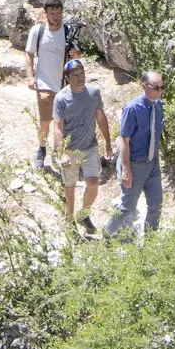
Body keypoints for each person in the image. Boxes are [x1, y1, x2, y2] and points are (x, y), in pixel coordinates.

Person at [51, 59, 115, 235]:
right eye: (75, 75)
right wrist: (62, 152)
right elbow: (57, 127)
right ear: (67, 78)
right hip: (70, 149)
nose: (80, 78)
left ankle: (84, 215)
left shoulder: (94, 93)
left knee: (93, 184)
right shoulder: (61, 98)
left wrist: (108, 143)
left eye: (82, 74)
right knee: (70, 186)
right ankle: (69, 220)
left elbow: (101, 118)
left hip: (90, 147)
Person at [104, 71, 166, 239]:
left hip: (152, 163)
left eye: (161, 88)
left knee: (156, 204)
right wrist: (126, 169)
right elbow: (124, 140)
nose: (159, 92)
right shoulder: (132, 108)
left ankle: (150, 240)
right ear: (143, 86)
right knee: (127, 207)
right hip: (134, 164)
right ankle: (107, 234)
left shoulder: (158, 106)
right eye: (155, 88)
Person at [24, 0, 81, 170]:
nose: (55, 17)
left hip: (64, 85)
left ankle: (58, 152)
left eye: (58, 13)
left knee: (61, 122)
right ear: (46, 13)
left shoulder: (68, 32)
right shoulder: (38, 31)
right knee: (45, 121)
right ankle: (42, 149)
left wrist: (77, 54)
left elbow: (75, 56)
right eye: (52, 13)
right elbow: (29, 53)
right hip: (44, 83)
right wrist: (30, 77)